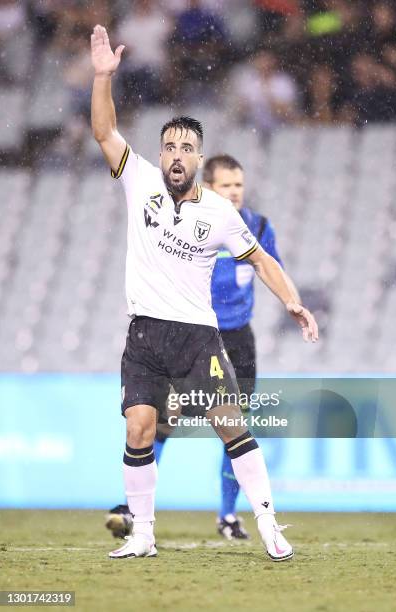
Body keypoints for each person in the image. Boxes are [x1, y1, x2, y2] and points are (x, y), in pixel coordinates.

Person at [91, 24, 318, 562]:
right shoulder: (139, 181)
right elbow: (104, 133)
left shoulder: (219, 213)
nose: (175, 154)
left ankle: (267, 522)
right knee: (140, 426)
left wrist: (293, 301)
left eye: (186, 148)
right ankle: (142, 534)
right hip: (144, 332)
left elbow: (261, 260)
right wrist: (103, 80)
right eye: (169, 145)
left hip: (198, 337)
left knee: (230, 425)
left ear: (199, 159)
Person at [105, 154, 300, 541]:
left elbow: (268, 266)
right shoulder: (190, 223)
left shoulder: (258, 226)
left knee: (235, 428)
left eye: (239, 186)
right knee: (163, 419)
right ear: (210, 187)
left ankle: (228, 516)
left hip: (239, 340)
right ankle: (135, 509)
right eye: (227, 186)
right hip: (194, 336)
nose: (235, 193)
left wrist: (292, 301)